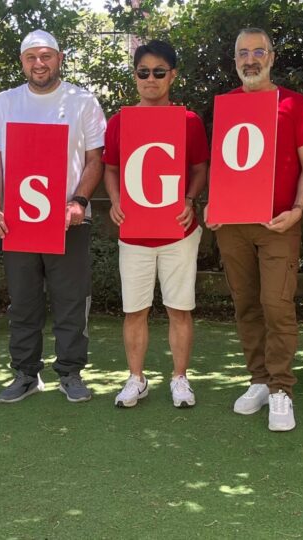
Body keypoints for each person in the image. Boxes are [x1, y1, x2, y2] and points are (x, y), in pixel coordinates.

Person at [0, 30, 107, 403]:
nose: (39, 63)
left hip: (69, 221)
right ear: (22, 62)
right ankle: (25, 374)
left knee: (70, 299)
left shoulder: (82, 101)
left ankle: (70, 372)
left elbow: (95, 159)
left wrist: (79, 201)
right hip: (19, 221)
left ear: (60, 57)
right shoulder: (5, 102)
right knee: (23, 301)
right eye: (32, 57)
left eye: (46, 56)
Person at [206, 28, 303, 432]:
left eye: (258, 51)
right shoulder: (225, 106)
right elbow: (223, 164)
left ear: (271, 57)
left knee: (277, 305)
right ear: (234, 59)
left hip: (277, 223)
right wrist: (212, 205)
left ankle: (282, 389)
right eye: (242, 52)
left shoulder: (295, 104)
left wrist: (298, 209)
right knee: (246, 305)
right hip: (232, 225)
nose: (250, 59)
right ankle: (258, 380)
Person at [102, 40, 209, 409]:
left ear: (172, 76)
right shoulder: (119, 122)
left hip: (178, 231)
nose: (150, 78)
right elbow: (111, 168)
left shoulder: (189, 121)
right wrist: (115, 200)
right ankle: (137, 379)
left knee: (180, 307)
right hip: (134, 231)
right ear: (135, 76)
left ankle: (180, 378)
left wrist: (190, 200)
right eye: (143, 72)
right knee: (135, 309)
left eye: (158, 72)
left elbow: (199, 168)